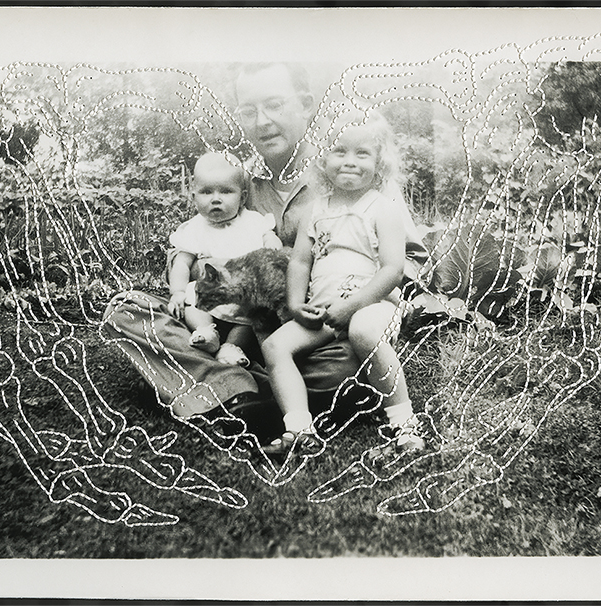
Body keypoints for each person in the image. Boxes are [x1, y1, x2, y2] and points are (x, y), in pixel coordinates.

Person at [101, 62, 426, 481]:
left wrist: (355, 298)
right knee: (128, 310)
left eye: (274, 105)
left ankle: (231, 389)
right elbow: (198, 249)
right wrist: (213, 272)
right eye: (248, 110)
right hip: (247, 325)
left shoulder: (351, 166)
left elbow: (409, 261)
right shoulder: (236, 179)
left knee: (348, 359)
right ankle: (248, 387)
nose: (262, 121)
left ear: (305, 105)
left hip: (333, 325)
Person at [260, 113, 426, 464]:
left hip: (372, 305)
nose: (349, 161)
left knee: (363, 331)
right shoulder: (315, 210)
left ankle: (404, 423)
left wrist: (353, 307)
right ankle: (299, 429)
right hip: (323, 310)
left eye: (362, 153)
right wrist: (296, 305)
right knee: (275, 346)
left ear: (379, 163)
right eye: (339, 151)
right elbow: (300, 262)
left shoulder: (383, 209)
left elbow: (393, 270)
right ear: (322, 159)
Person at [167, 152, 282, 367]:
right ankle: (205, 332)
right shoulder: (195, 228)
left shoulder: (253, 221)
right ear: (194, 196)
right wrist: (178, 292)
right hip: (208, 296)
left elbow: (269, 236)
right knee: (192, 298)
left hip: (243, 298)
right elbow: (181, 263)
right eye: (206, 192)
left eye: (226, 191)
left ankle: (232, 346)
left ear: (243, 197)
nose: (216, 199)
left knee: (254, 316)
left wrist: (271, 242)